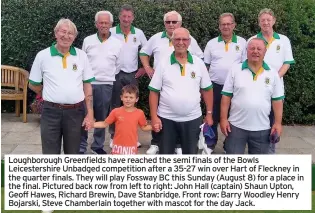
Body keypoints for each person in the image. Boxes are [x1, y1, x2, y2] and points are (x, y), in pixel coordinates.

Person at [139, 10, 204, 155]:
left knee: (178, 114)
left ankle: (179, 145)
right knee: (160, 116)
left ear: (180, 23)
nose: (171, 24)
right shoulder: (156, 38)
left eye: (174, 22)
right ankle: (156, 143)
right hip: (161, 84)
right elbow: (144, 52)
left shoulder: (188, 38)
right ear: (164, 24)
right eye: (168, 22)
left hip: (182, 84)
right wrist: (148, 67)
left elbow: (200, 58)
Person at [28, 18, 94, 156]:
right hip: (50, 112)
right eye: (63, 31)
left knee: (73, 153)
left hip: (76, 113)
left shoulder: (81, 56)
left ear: (75, 37)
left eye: (71, 33)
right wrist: (46, 92)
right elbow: (33, 84)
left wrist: (90, 113)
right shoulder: (43, 56)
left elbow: (87, 85)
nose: (66, 36)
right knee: (50, 154)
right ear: (56, 33)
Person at [148, 27, 214, 154]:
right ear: (172, 42)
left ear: (189, 42)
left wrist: (209, 113)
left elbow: (207, 90)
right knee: (165, 155)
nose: (181, 42)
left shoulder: (198, 63)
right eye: (177, 39)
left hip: (193, 119)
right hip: (166, 119)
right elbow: (154, 91)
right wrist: (154, 117)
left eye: (184, 39)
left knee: (190, 154)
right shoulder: (163, 63)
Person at [220, 38, 284, 154]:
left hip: (262, 128)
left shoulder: (272, 73)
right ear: (246, 51)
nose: (255, 51)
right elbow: (226, 96)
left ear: (265, 52)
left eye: (259, 49)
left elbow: (277, 101)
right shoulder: (235, 69)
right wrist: (223, 119)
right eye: (252, 48)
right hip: (235, 127)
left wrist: (278, 123)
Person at [247, 8, 295, 154]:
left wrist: (275, 78)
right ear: (259, 23)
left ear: (274, 21)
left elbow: (287, 63)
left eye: (268, 20)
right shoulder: (252, 40)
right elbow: (249, 63)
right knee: (257, 121)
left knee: (274, 121)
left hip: (276, 88)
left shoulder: (284, 40)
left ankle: (270, 151)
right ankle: (255, 150)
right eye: (263, 20)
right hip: (256, 88)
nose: (266, 22)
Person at [79, 11, 123, 154]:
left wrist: (106, 76)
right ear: (96, 24)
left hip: (106, 84)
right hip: (88, 84)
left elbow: (118, 65)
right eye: (101, 22)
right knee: (84, 114)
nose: (103, 25)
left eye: (106, 23)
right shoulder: (88, 40)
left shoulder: (118, 43)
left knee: (102, 116)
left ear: (111, 24)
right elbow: (82, 61)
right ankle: (81, 146)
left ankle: (97, 146)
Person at [203, 12, 246, 154]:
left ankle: (229, 145)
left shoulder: (243, 43)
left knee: (233, 117)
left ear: (234, 25)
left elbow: (246, 65)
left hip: (235, 87)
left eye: (229, 24)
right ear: (219, 26)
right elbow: (206, 66)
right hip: (215, 85)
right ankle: (210, 144)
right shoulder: (211, 43)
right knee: (212, 116)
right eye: (223, 24)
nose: (226, 26)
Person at [109, 4, 147, 149]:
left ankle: (133, 138)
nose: (126, 19)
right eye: (123, 16)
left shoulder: (139, 33)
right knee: (115, 106)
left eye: (129, 16)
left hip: (132, 74)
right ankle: (114, 137)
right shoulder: (111, 32)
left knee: (132, 107)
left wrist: (145, 67)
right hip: (115, 73)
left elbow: (147, 50)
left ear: (133, 18)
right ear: (119, 17)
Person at [87, 85, 152, 155]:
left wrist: (154, 126)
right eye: (126, 97)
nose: (128, 99)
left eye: (131, 97)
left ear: (136, 99)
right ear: (121, 97)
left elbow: (144, 127)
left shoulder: (139, 113)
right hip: (117, 147)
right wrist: (92, 124)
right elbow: (104, 123)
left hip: (131, 147)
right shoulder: (116, 112)